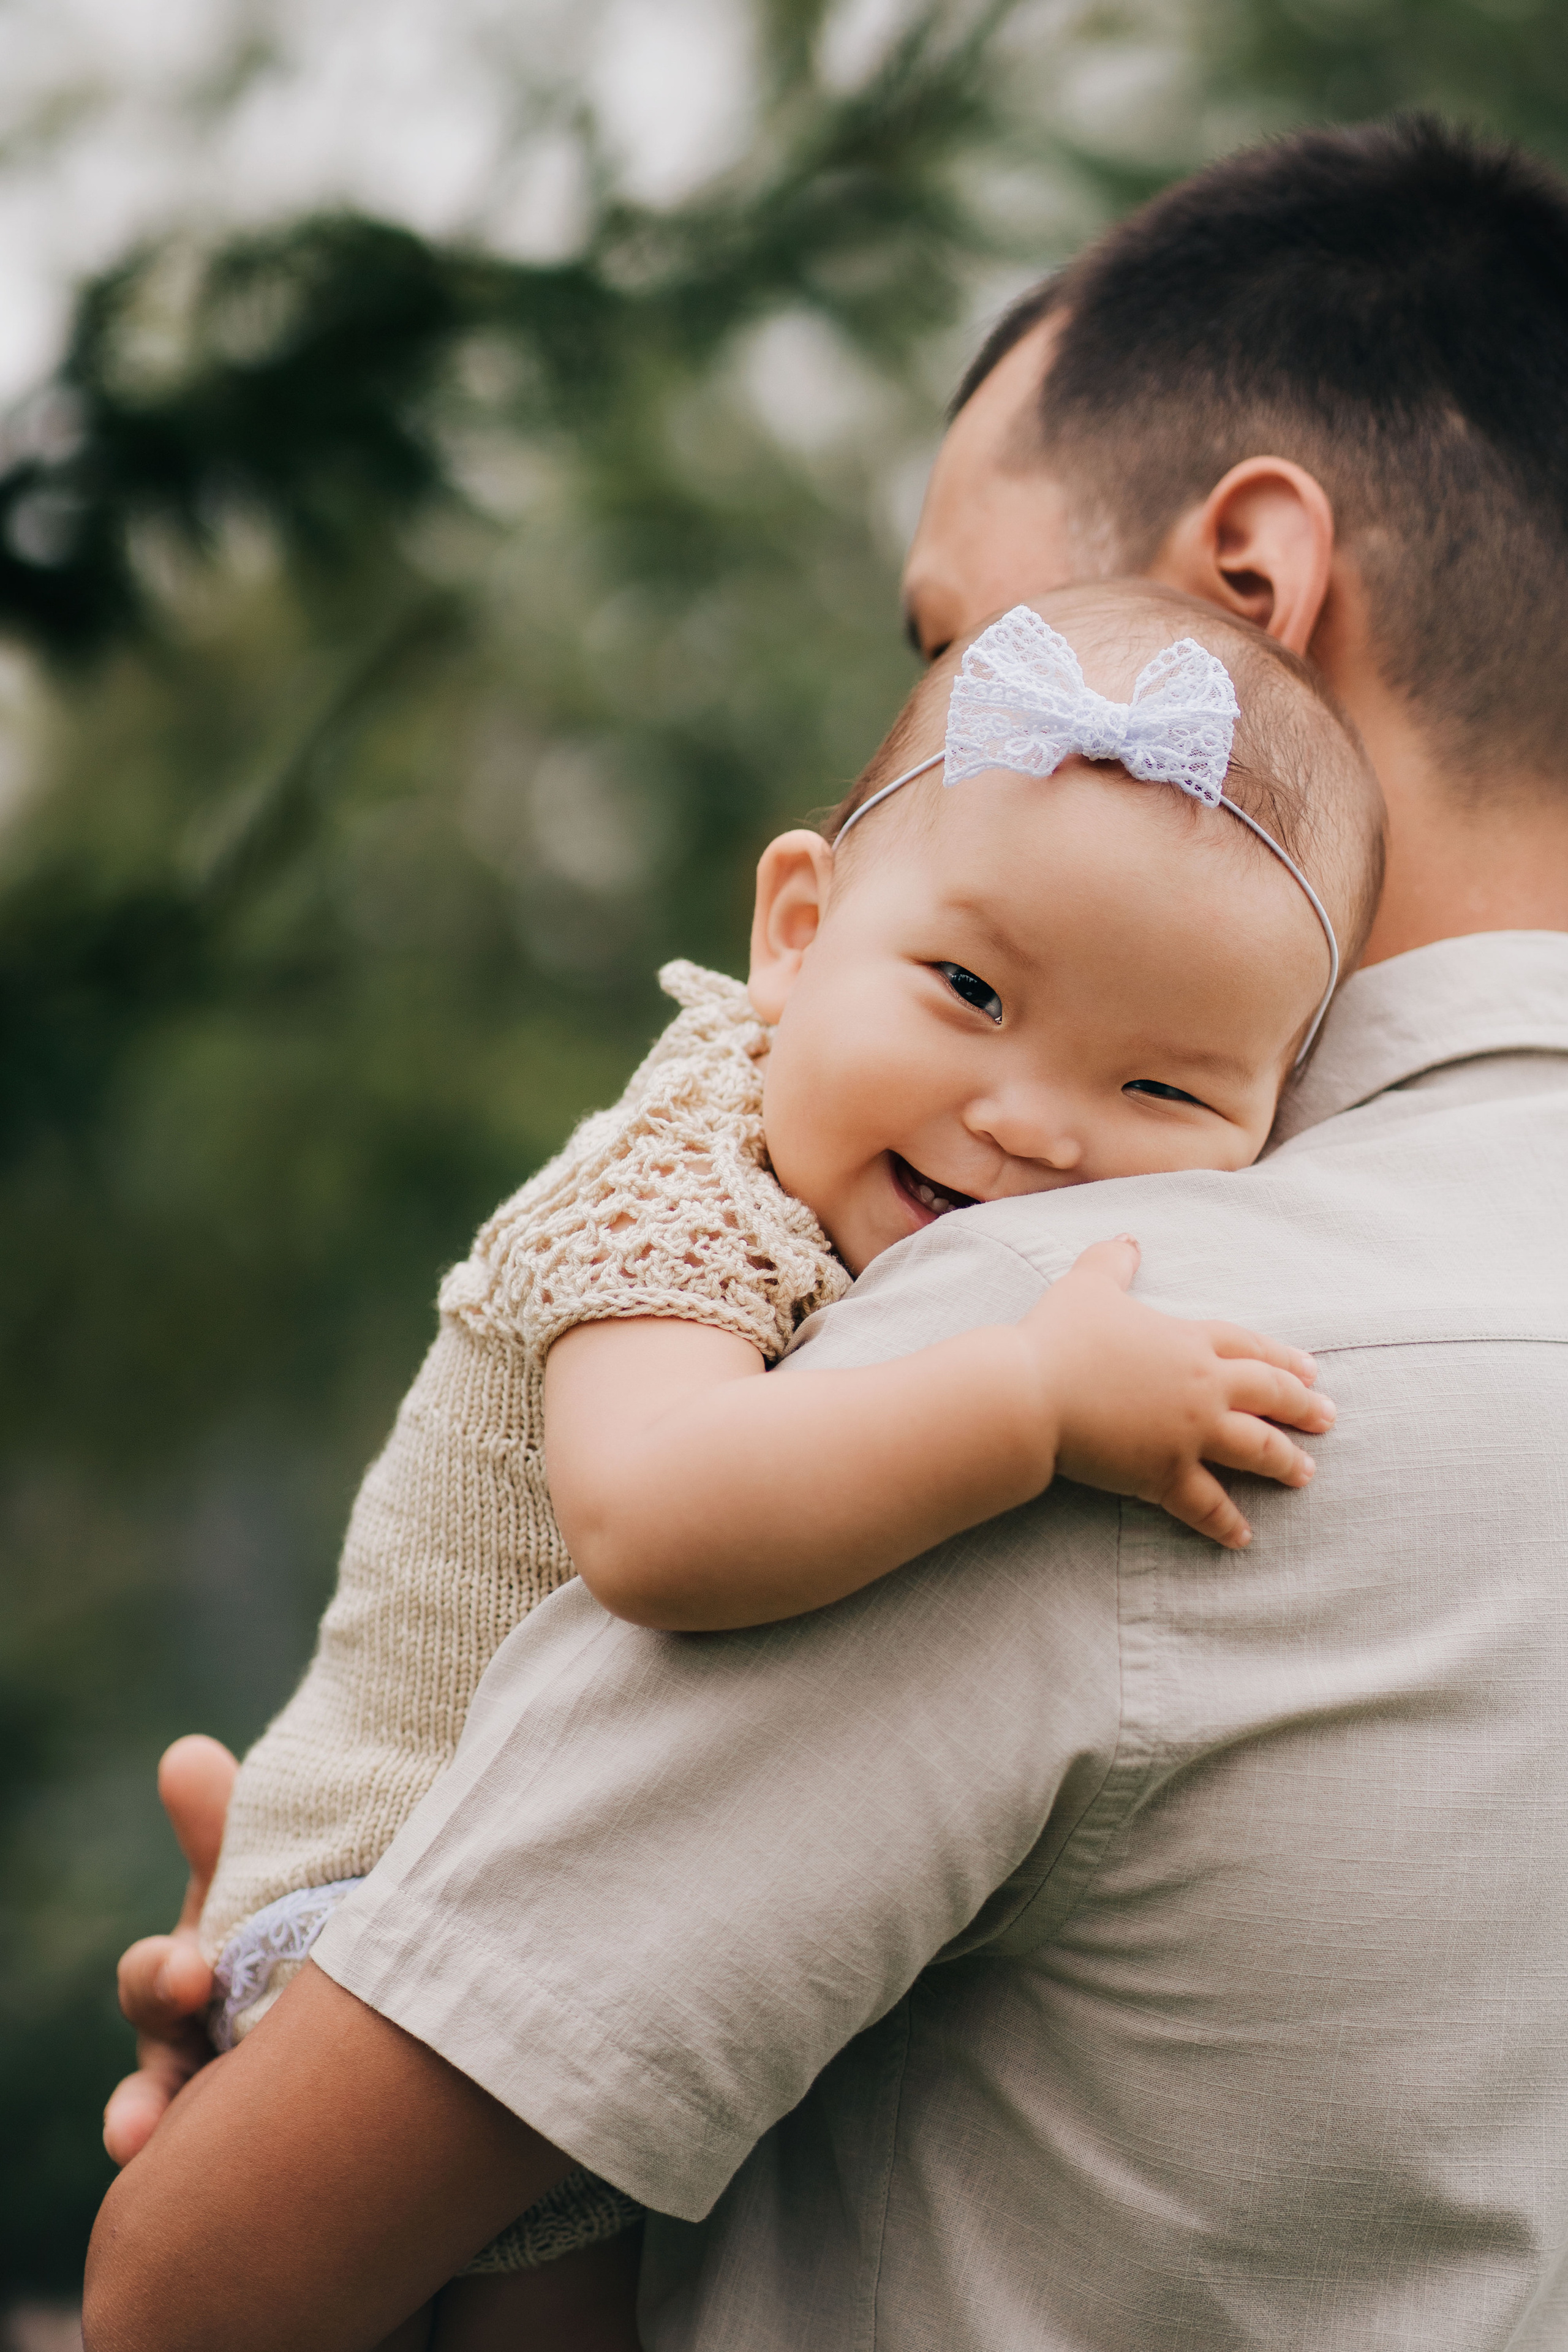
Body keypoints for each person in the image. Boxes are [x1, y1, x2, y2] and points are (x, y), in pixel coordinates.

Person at [90, 115, 1568, 2352]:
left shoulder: (1069, 1345)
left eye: (956, 638)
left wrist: (292, 2094)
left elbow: (191, 2298)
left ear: (1246, 591)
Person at [160, 578, 1372, 2348]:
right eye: (969, 990)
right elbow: (654, 1517)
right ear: (796, 931)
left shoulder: (864, 1199)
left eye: (1165, 1093)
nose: (1031, 1123)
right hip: (389, 1913)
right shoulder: (678, 1185)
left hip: (535, 1908)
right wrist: (1033, 1404)